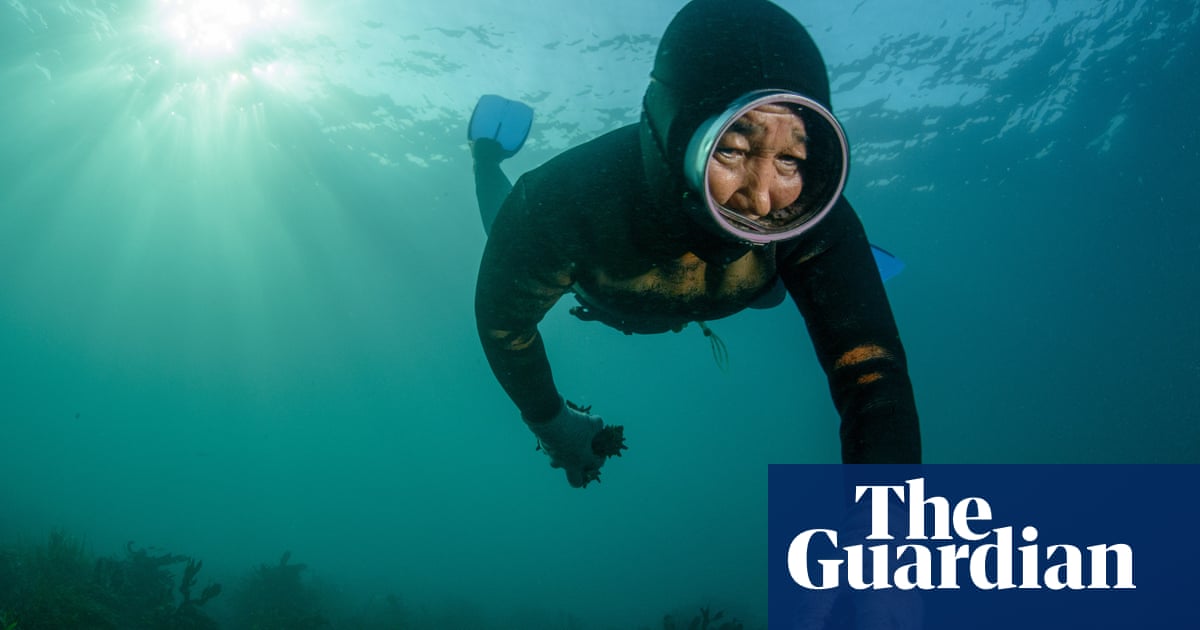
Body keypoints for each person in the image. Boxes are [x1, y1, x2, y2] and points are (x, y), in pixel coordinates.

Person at [472, 0, 921, 488]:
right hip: (603, 283)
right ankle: (485, 156)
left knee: (775, 286)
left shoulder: (813, 218)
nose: (761, 199)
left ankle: (811, 273)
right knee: (504, 232)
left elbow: (871, 374)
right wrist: (552, 424)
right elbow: (503, 326)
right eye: (730, 149)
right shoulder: (556, 206)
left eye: (792, 160)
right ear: (669, 133)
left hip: (742, 284)